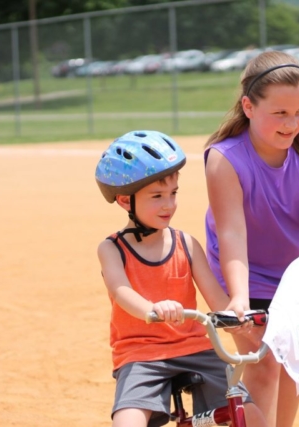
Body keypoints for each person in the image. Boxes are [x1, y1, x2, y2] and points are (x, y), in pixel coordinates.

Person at [95, 130, 268, 427]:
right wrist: (153, 308)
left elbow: (216, 299)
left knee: (249, 413)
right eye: (157, 196)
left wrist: (240, 321)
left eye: (173, 193)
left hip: (196, 348)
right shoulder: (112, 249)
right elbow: (121, 291)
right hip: (141, 354)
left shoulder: (186, 243)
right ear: (125, 200)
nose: (169, 205)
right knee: (127, 421)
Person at [203, 51, 299, 426]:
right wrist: (239, 299)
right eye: (279, 113)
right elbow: (232, 234)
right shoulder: (224, 158)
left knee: (291, 371)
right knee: (263, 365)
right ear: (248, 106)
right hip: (238, 274)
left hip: (292, 274)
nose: (293, 123)